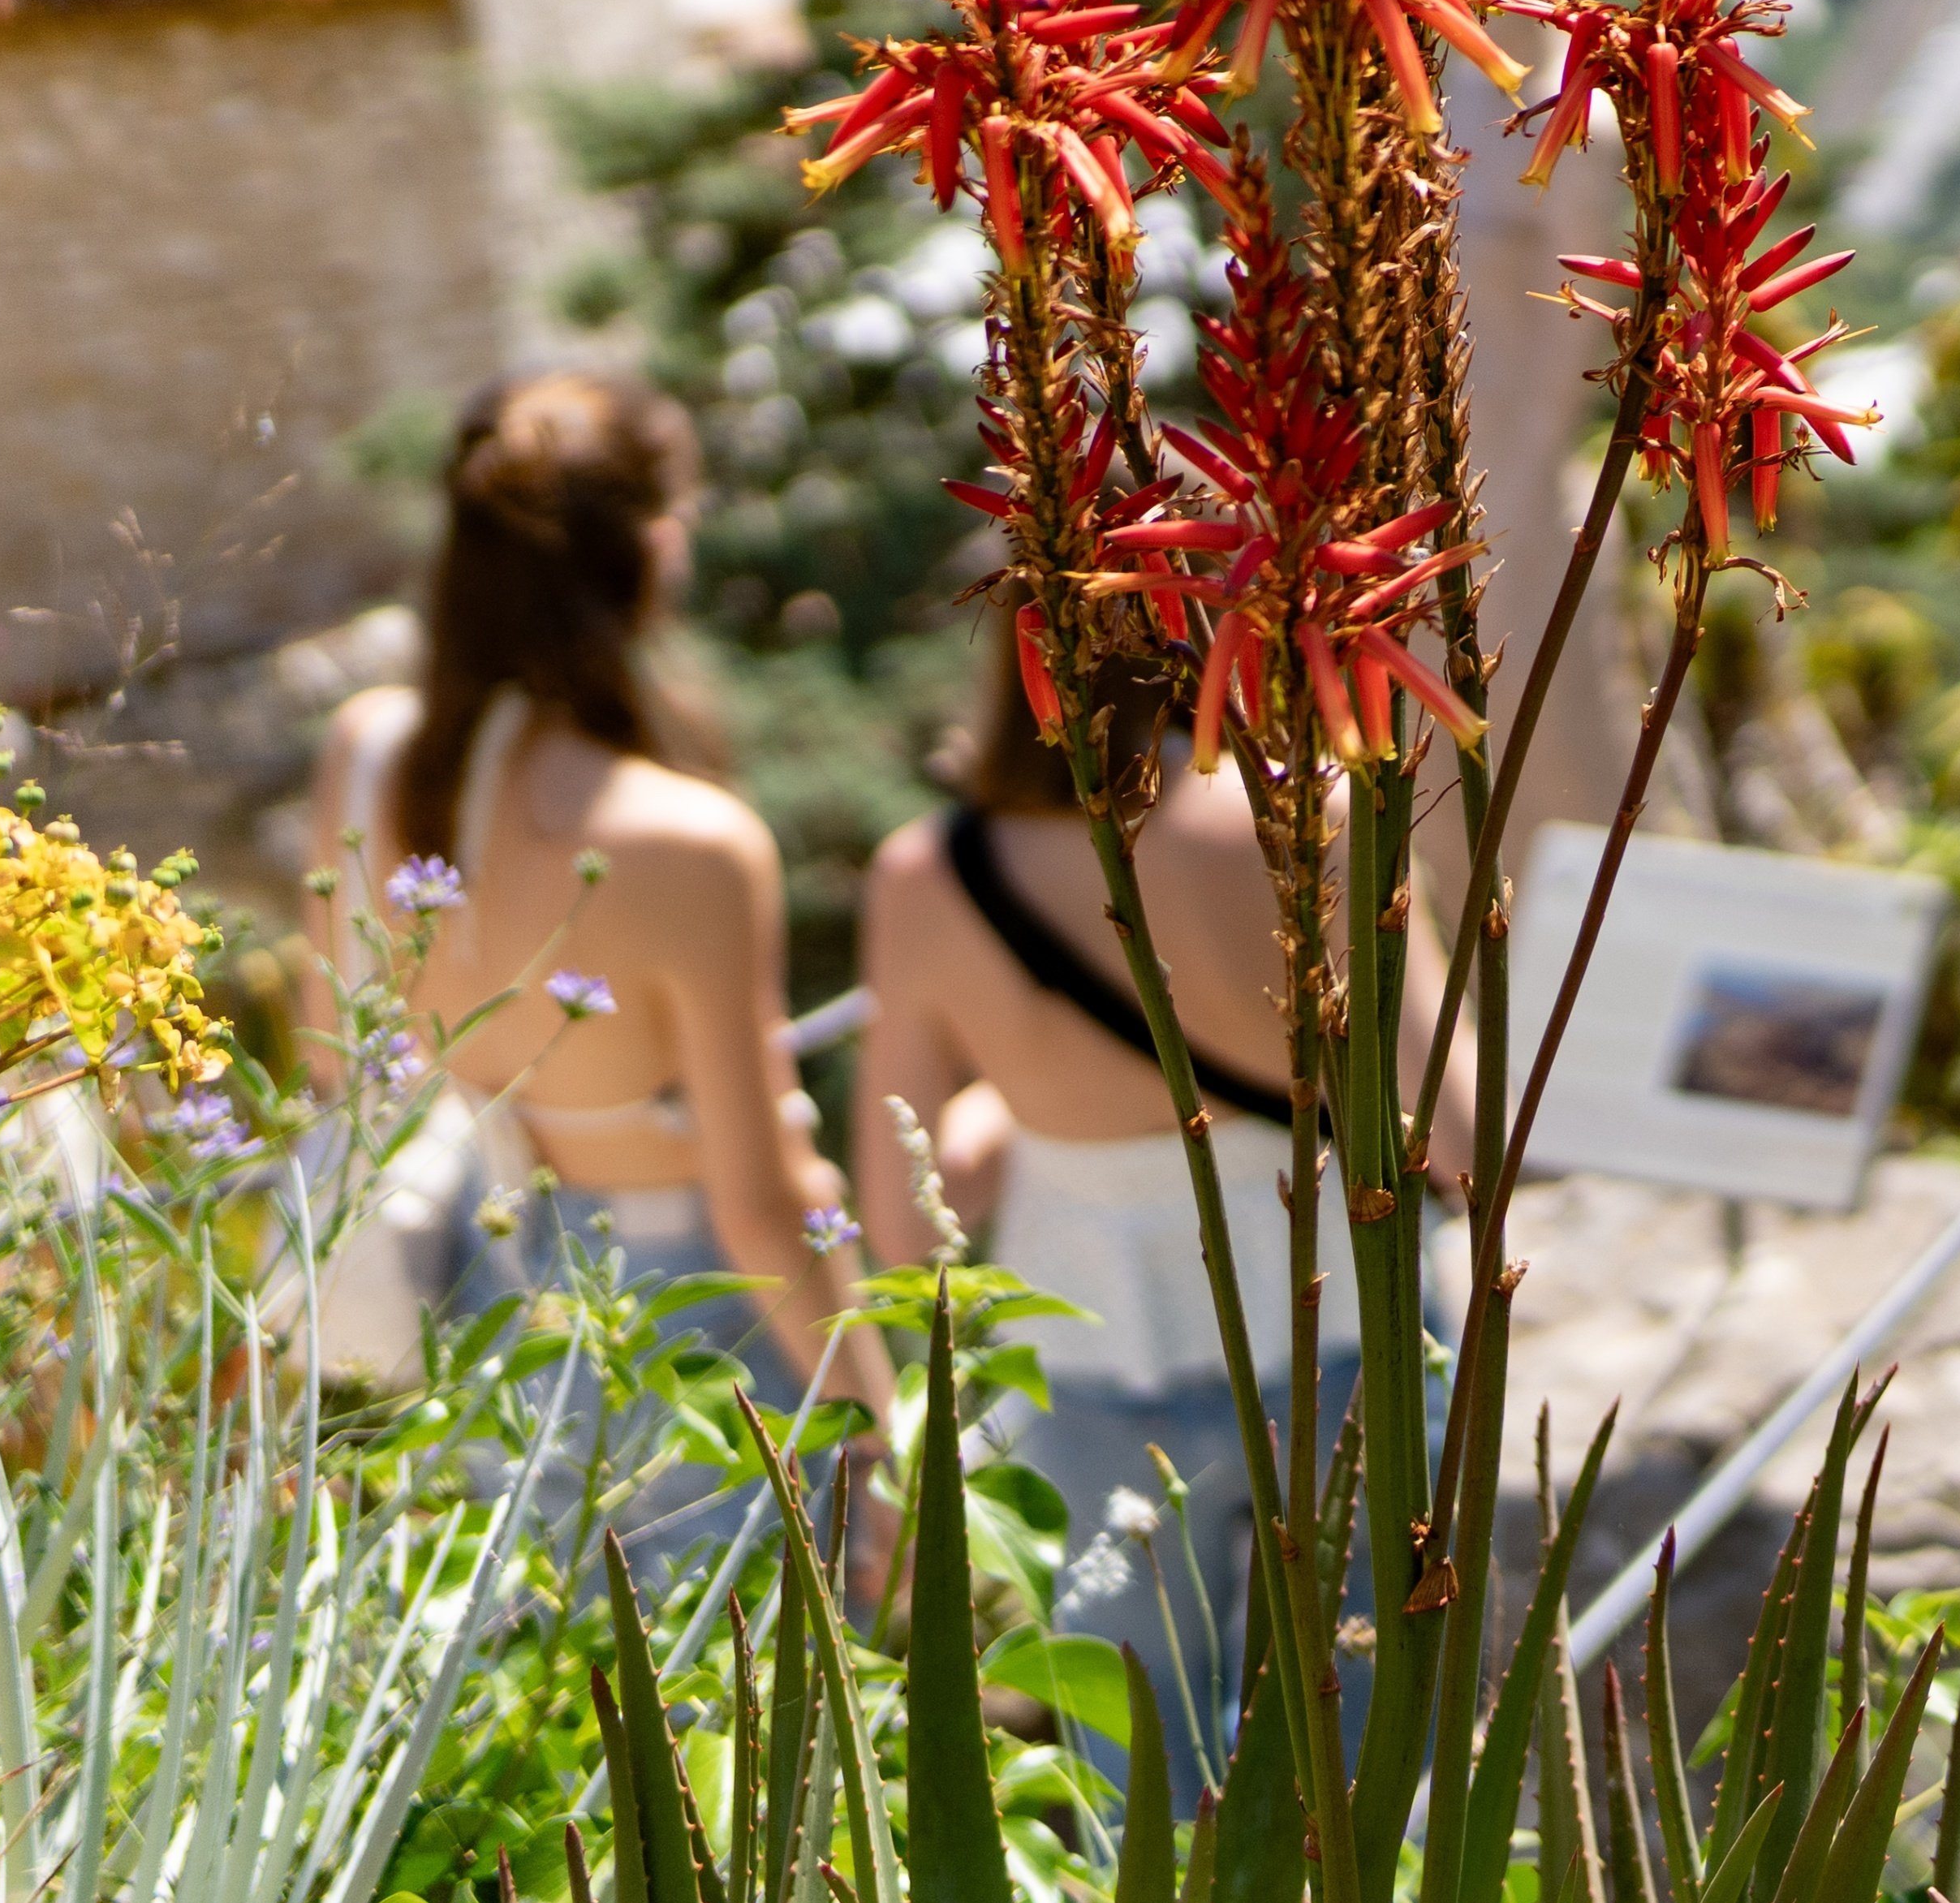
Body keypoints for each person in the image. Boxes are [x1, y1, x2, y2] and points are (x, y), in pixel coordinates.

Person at [304, 369, 845, 1588]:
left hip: (490, 1289)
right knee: (748, 1727)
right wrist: (883, 1425)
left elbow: (339, 1059)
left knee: (553, 1696)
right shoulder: (690, 838)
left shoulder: (369, 757)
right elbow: (763, 1203)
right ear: (653, 547)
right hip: (696, 1316)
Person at [853, 612, 1318, 1788]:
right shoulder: (1297, 819)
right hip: (1324, 1308)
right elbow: (1449, 1132)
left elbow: (897, 1195)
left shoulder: (930, 871)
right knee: (1354, 1731)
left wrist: (1026, 1098)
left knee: (1133, 1748)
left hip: (1084, 1323)